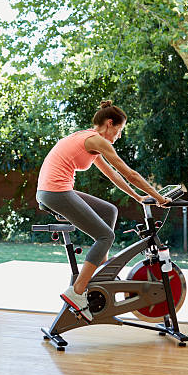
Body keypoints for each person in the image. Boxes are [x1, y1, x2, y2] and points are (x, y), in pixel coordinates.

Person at [36, 100, 170, 322]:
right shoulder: (96, 140)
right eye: (118, 131)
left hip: (53, 190)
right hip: (55, 192)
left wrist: (137, 197)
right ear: (109, 124)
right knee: (106, 236)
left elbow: (113, 175)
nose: (118, 136)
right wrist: (159, 198)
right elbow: (130, 174)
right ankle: (77, 292)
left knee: (109, 211)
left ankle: (101, 275)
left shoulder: (89, 139)